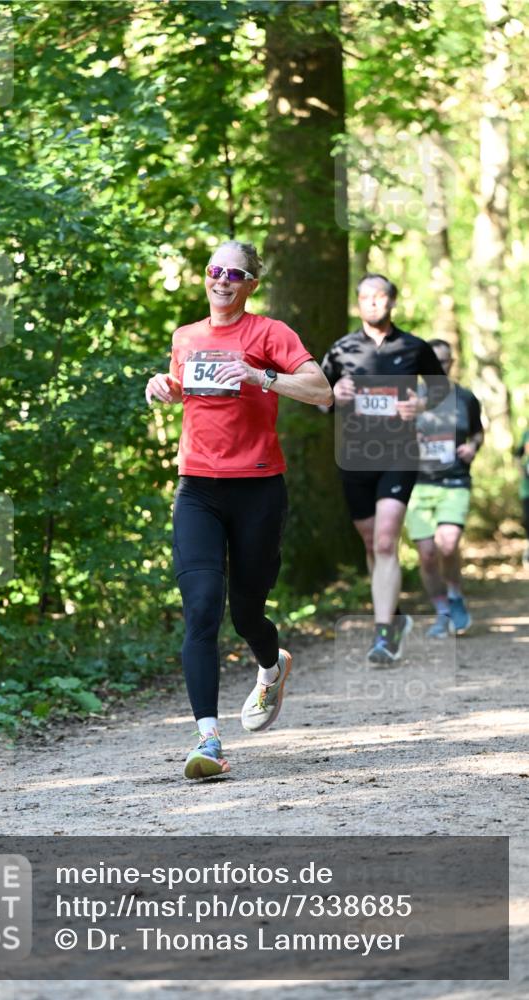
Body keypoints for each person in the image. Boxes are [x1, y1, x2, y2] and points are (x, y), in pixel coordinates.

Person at [145, 240, 333, 779]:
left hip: (258, 489)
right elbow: (186, 389)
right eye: (214, 270)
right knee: (202, 606)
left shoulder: (270, 333)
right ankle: (208, 740)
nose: (221, 280)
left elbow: (321, 391)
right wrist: (166, 387)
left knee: (247, 612)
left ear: (251, 283)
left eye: (234, 273)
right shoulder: (186, 337)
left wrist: (260, 376)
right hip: (197, 490)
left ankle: (272, 669)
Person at [320, 274, 448, 664]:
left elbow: (440, 389)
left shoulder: (414, 346)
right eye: (365, 298)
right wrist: (333, 393)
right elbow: (318, 397)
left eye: (380, 297)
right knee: (371, 542)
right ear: (358, 303)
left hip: (399, 454)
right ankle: (394, 615)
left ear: (392, 301)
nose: (373, 303)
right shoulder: (342, 349)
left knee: (386, 541)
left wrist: (420, 405)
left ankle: (384, 636)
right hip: (354, 457)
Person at [405, 339, 484, 636]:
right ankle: (442, 612)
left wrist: (472, 447)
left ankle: (455, 596)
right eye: (434, 361)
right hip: (417, 483)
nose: (440, 366)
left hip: (455, 481)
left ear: (452, 363)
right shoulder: (409, 398)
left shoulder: (465, 398)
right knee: (427, 553)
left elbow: (477, 433)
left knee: (448, 544)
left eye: (445, 360)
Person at [516, 428, 529, 569]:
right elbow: (517, 455)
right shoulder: (527, 434)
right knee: (527, 519)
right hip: (527, 489)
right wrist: (522, 471)